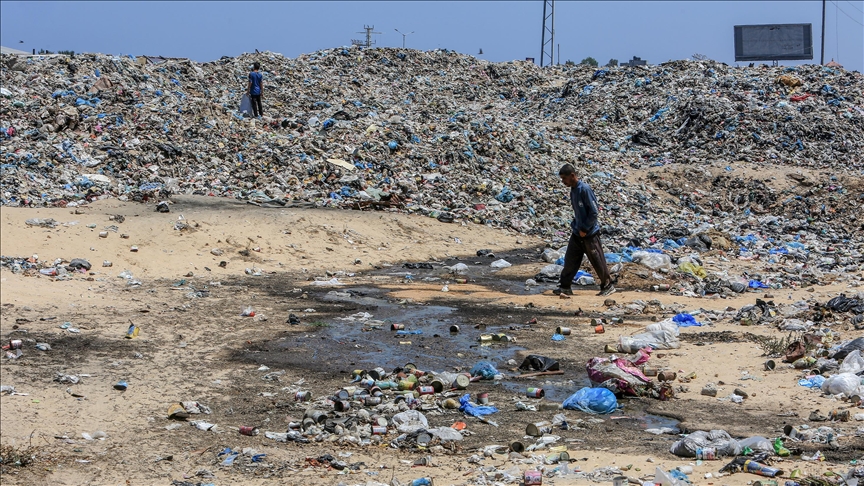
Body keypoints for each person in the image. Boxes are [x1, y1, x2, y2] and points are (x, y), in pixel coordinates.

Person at [553, 163, 616, 297]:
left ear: (572, 176)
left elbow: (593, 212)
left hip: (589, 234)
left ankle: (607, 285)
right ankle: (565, 286)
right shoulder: (573, 190)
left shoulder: (584, 189)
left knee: (597, 260)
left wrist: (585, 228)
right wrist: (577, 226)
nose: (563, 182)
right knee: (570, 260)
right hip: (577, 232)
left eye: (564, 178)